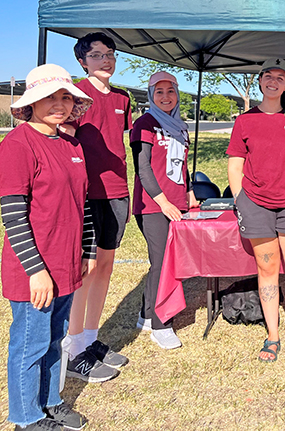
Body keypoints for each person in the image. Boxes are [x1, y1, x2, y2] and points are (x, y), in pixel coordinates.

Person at [1, 64, 94, 431]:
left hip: (67, 262)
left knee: (55, 339)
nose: (59, 104)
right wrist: (35, 270)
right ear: (32, 102)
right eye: (50, 97)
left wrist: (85, 252)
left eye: (65, 97)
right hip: (35, 269)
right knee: (30, 345)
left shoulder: (71, 144)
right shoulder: (17, 145)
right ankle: (27, 417)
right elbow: (12, 213)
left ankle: (51, 401)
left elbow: (83, 204)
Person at [226, 58, 285, 362]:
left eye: (280, 77)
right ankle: (273, 335)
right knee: (267, 271)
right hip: (256, 206)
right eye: (268, 75)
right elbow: (235, 163)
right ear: (260, 81)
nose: (273, 81)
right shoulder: (244, 121)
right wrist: (241, 200)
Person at [61, 32, 132, 381]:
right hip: (86, 194)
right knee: (85, 271)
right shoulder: (75, 95)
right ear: (83, 61)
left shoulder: (123, 98)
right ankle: (73, 349)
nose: (107, 60)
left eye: (111, 54)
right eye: (98, 54)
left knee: (104, 267)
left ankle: (90, 339)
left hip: (117, 192)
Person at [130, 71, 198, 349]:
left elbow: (182, 166)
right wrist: (164, 202)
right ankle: (162, 325)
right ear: (150, 95)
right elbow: (142, 168)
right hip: (153, 206)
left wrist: (190, 193)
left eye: (171, 91)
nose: (166, 97)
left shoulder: (180, 126)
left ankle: (146, 315)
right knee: (163, 263)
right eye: (159, 92)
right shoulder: (144, 124)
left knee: (161, 262)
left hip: (176, 203)